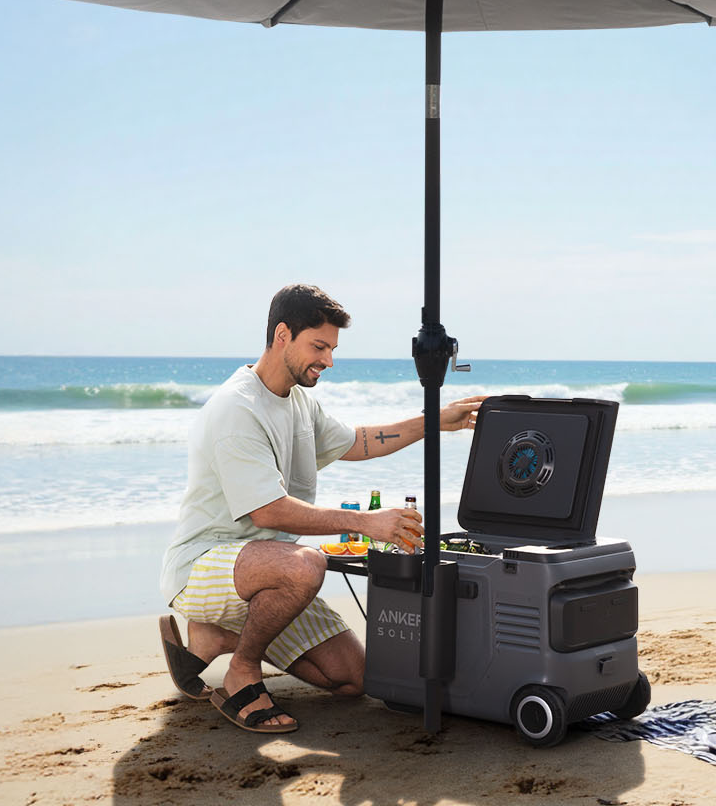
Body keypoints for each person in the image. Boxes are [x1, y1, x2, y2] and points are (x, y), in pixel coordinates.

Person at [157, 284, 486, 733]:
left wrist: (434, 421)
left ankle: (218, 634)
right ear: (281, 336)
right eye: (319, 346)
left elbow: (359, 443)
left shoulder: (298, 400)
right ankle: (242, 670)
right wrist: (367, 523)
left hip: (266, 570)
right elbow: (268, 512)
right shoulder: (237, 409)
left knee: (354, 679)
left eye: (331, 348)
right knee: (305, 566)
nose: (328, 360)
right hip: (203, 565)